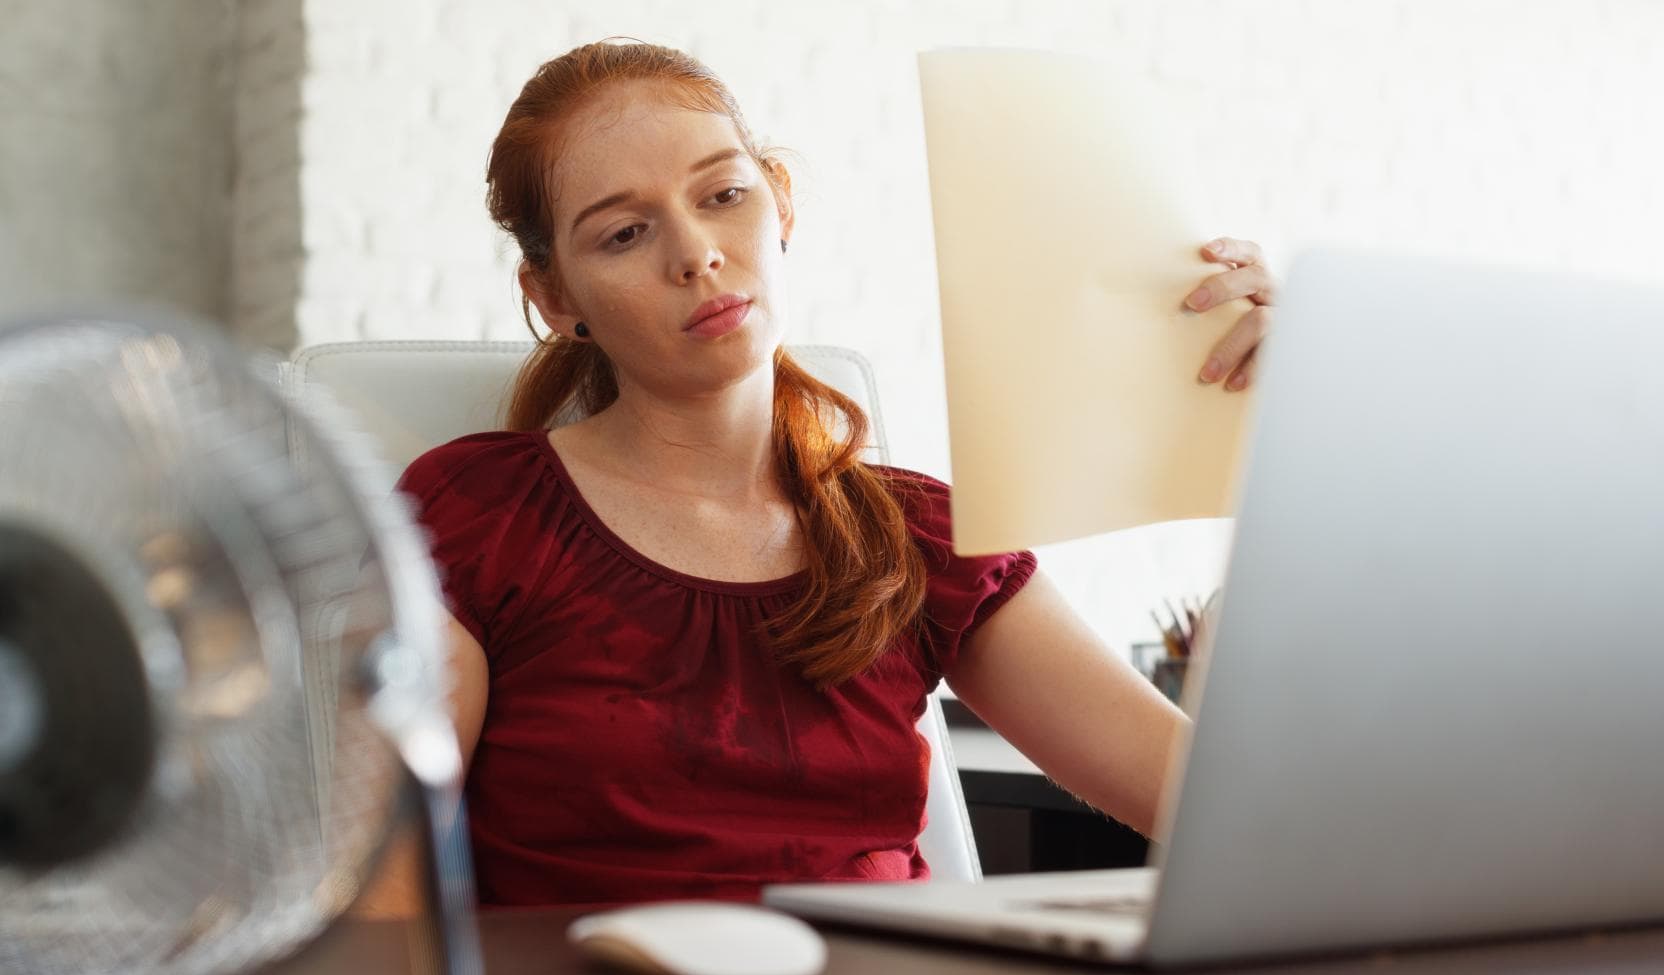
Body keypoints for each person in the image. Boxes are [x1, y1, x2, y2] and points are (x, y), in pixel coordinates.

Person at [377, 39, 1279, 908]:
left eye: (724, 194)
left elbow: (1232, 818)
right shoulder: (477, 517)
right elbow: (380, 914)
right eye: (623, 234)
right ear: (554, 297)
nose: (696, 253)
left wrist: (1305, 411)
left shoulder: (919, 538)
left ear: (781, 205)